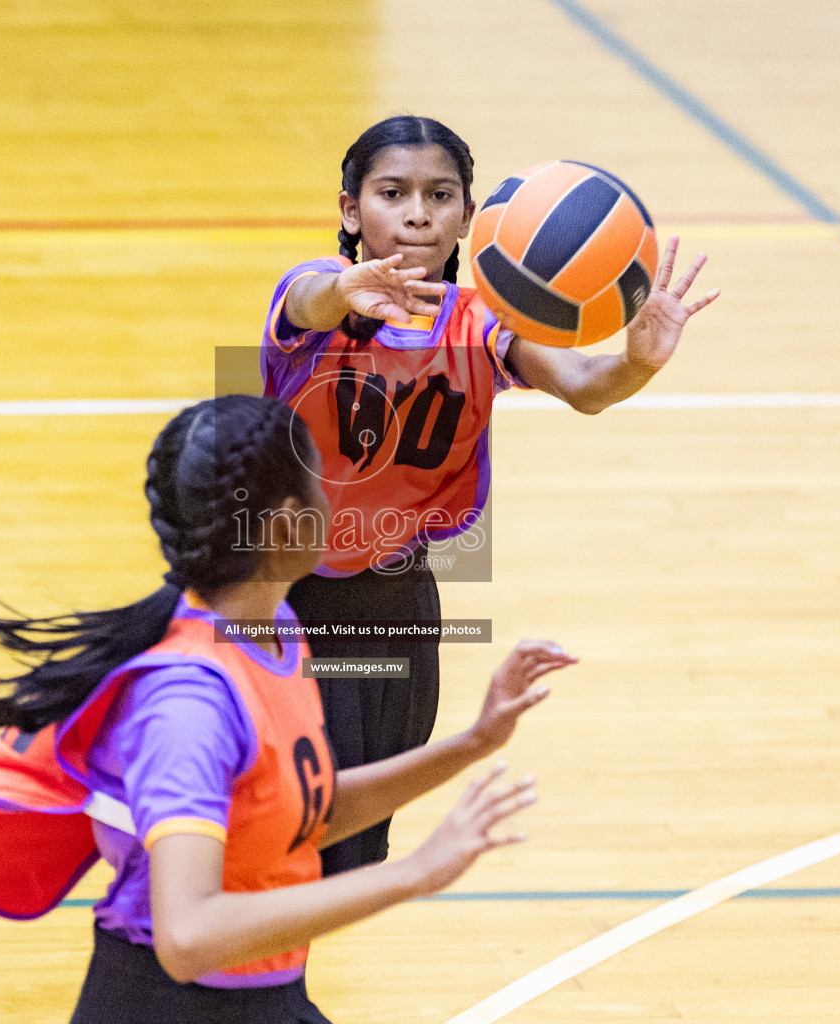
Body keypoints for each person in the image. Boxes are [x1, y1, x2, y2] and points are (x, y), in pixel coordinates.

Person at [0, 394, 574, 1024]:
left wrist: (476, 741)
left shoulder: (275, 631)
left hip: (260, 996)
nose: (339, 497)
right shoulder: (190, 703)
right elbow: (190, 934)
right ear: (287, 521)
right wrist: (413, 874)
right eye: (327, 481)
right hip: (170, 1007)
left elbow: (291, 813)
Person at [261, 115, 718, 874]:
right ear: (351, 211)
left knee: (351, 850)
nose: (417, 213)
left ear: (471, 218)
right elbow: (308, 297)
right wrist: (343, 289)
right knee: (286, 837)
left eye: (440, 195)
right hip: (284, 605)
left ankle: (282, 987)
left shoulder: (484, 323)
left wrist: (638, 363)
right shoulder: (316, 302)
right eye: (392, 193)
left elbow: (583, 387)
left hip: (396, 606)